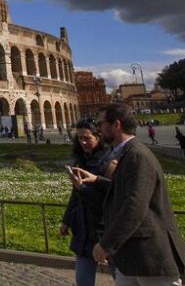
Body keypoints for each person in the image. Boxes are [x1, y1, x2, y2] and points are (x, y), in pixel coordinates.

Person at [72, 104, 185, 285]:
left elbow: (134, 206)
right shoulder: (128, 153)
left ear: (117, 125)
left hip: (150, 256)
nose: (99, 128)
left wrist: (106, 244)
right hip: (132, 257)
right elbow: (123, 190)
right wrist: (96, 179)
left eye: (102, 123)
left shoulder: (137, 155)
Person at [60, 121, 116, 286]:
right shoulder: (82, 160)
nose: (82, 142)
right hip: (84, 229)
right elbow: (75, 194)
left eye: (87, 138)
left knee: (122, 279)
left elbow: (111, 200)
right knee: (83, 281)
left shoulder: (110, 162)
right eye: (79, 138)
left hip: (106, 230)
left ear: (98, 137)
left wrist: (82, 187)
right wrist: (66, 220)